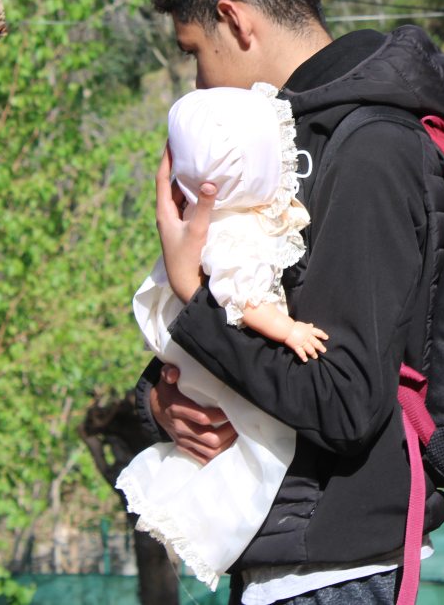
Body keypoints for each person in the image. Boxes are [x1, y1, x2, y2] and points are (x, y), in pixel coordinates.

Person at [138, 0, 444, 605]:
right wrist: (161, 401)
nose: (198, 82)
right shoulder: (270, 148)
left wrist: (194, 299)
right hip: (283, 566)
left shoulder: (371, 151)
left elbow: (346, 403)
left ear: (236, 22)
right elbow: (248, 327)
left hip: (337, 573)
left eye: (195, 52)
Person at [117, 82, 328, 589]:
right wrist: (289, 329)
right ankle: (212, 521)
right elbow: (244, 299)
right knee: (258, 442)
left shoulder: (211, 222)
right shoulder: (235, 233)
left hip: (195, 349)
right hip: (215, 352)